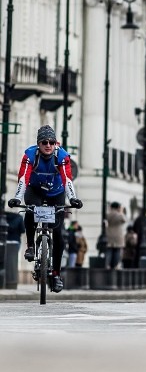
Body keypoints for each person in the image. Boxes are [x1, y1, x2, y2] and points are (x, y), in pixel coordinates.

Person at [8, 125, 83, 293]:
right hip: (35, 190)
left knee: (59, 236)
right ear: (38, 144)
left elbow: (67, 180)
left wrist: (73, 199)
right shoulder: (30, 155)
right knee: (30, 210)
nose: (48, 145)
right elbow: (23, 178)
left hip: (56, 193)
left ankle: (56, 275)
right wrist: (17, 198)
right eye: (44, 142)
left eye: (51, 142)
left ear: (56, 144)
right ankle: (30, 247)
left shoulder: (62, 156)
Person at [105, 202, 126, 270]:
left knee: (109, 250)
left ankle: (107, 264)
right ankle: (115, 265)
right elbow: (124, 220)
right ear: (118, 207)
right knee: (117, 250)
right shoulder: (119, 215)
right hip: (118, 235)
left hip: (109, 234)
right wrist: (121, 211)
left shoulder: (108, 214)